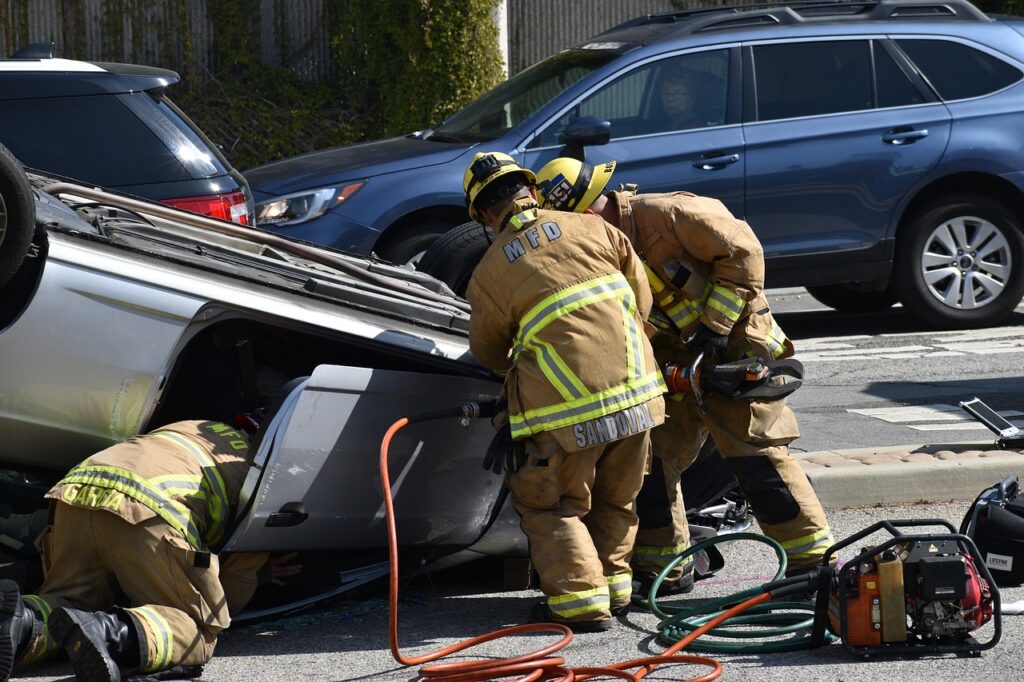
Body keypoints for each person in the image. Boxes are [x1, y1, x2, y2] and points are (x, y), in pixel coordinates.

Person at [535, 157, 834, 596]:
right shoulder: (600, 250)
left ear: (596, 205)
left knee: (754, 455)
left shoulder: (669, 215)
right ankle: (667, 569)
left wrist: (714, 329)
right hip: (680, 364)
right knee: (651, 459)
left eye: (583, 216)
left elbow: (745, 251)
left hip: (734, 347)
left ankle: (811, 565)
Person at [463, 152, 666, 632]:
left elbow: (490, 353)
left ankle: (580, 605)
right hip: (640, 396)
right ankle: (617, 593)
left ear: (486, 216)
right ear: (530, 191)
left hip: (565, 414)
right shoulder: (593, 228)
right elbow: (643, 299)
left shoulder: (489, 272)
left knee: (551, 504)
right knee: (618, 499)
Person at [0, 419, 301, 682]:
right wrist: (256, 576)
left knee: (71, 603)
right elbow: (225, 600)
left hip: (76, 493)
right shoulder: (265, 476)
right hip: (146, 508)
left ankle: (20, 621)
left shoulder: (201, 428)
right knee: (196, 629)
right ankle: (108, 631)